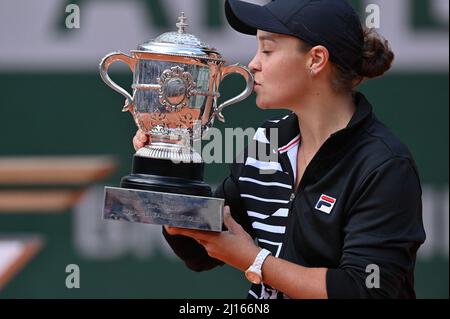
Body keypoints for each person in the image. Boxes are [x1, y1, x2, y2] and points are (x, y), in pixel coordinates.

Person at [133, 0, 426, 299]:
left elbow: (364, 290)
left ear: (316, 59)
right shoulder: (268, 140)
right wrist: (168, 161)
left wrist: (254, 260)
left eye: (268, 50)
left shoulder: (384, 165)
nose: (253, 63)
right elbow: (201, 251)